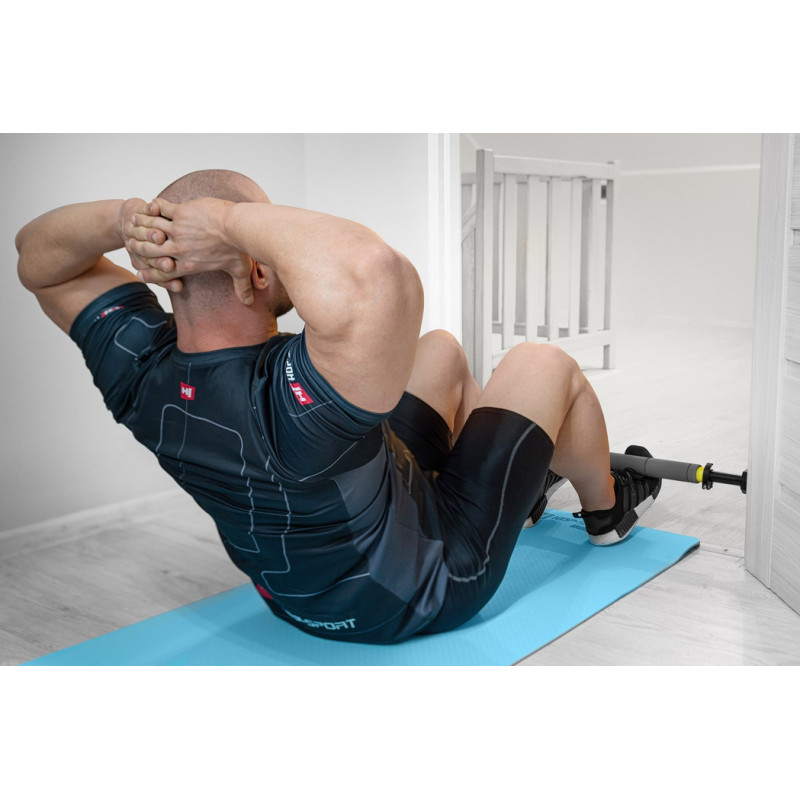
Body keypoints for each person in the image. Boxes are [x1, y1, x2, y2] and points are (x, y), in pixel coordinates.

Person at [16, 168, 661, 645]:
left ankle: (519, 494)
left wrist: (127, 220)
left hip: (292, 600)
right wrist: (225, 221)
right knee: (542, 363)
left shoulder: (141, 369)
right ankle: (607, 512)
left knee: (437, 351)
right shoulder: (298, 394)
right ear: (257, 272)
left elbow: (38, 260)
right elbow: (375, 270)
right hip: (422, 592)